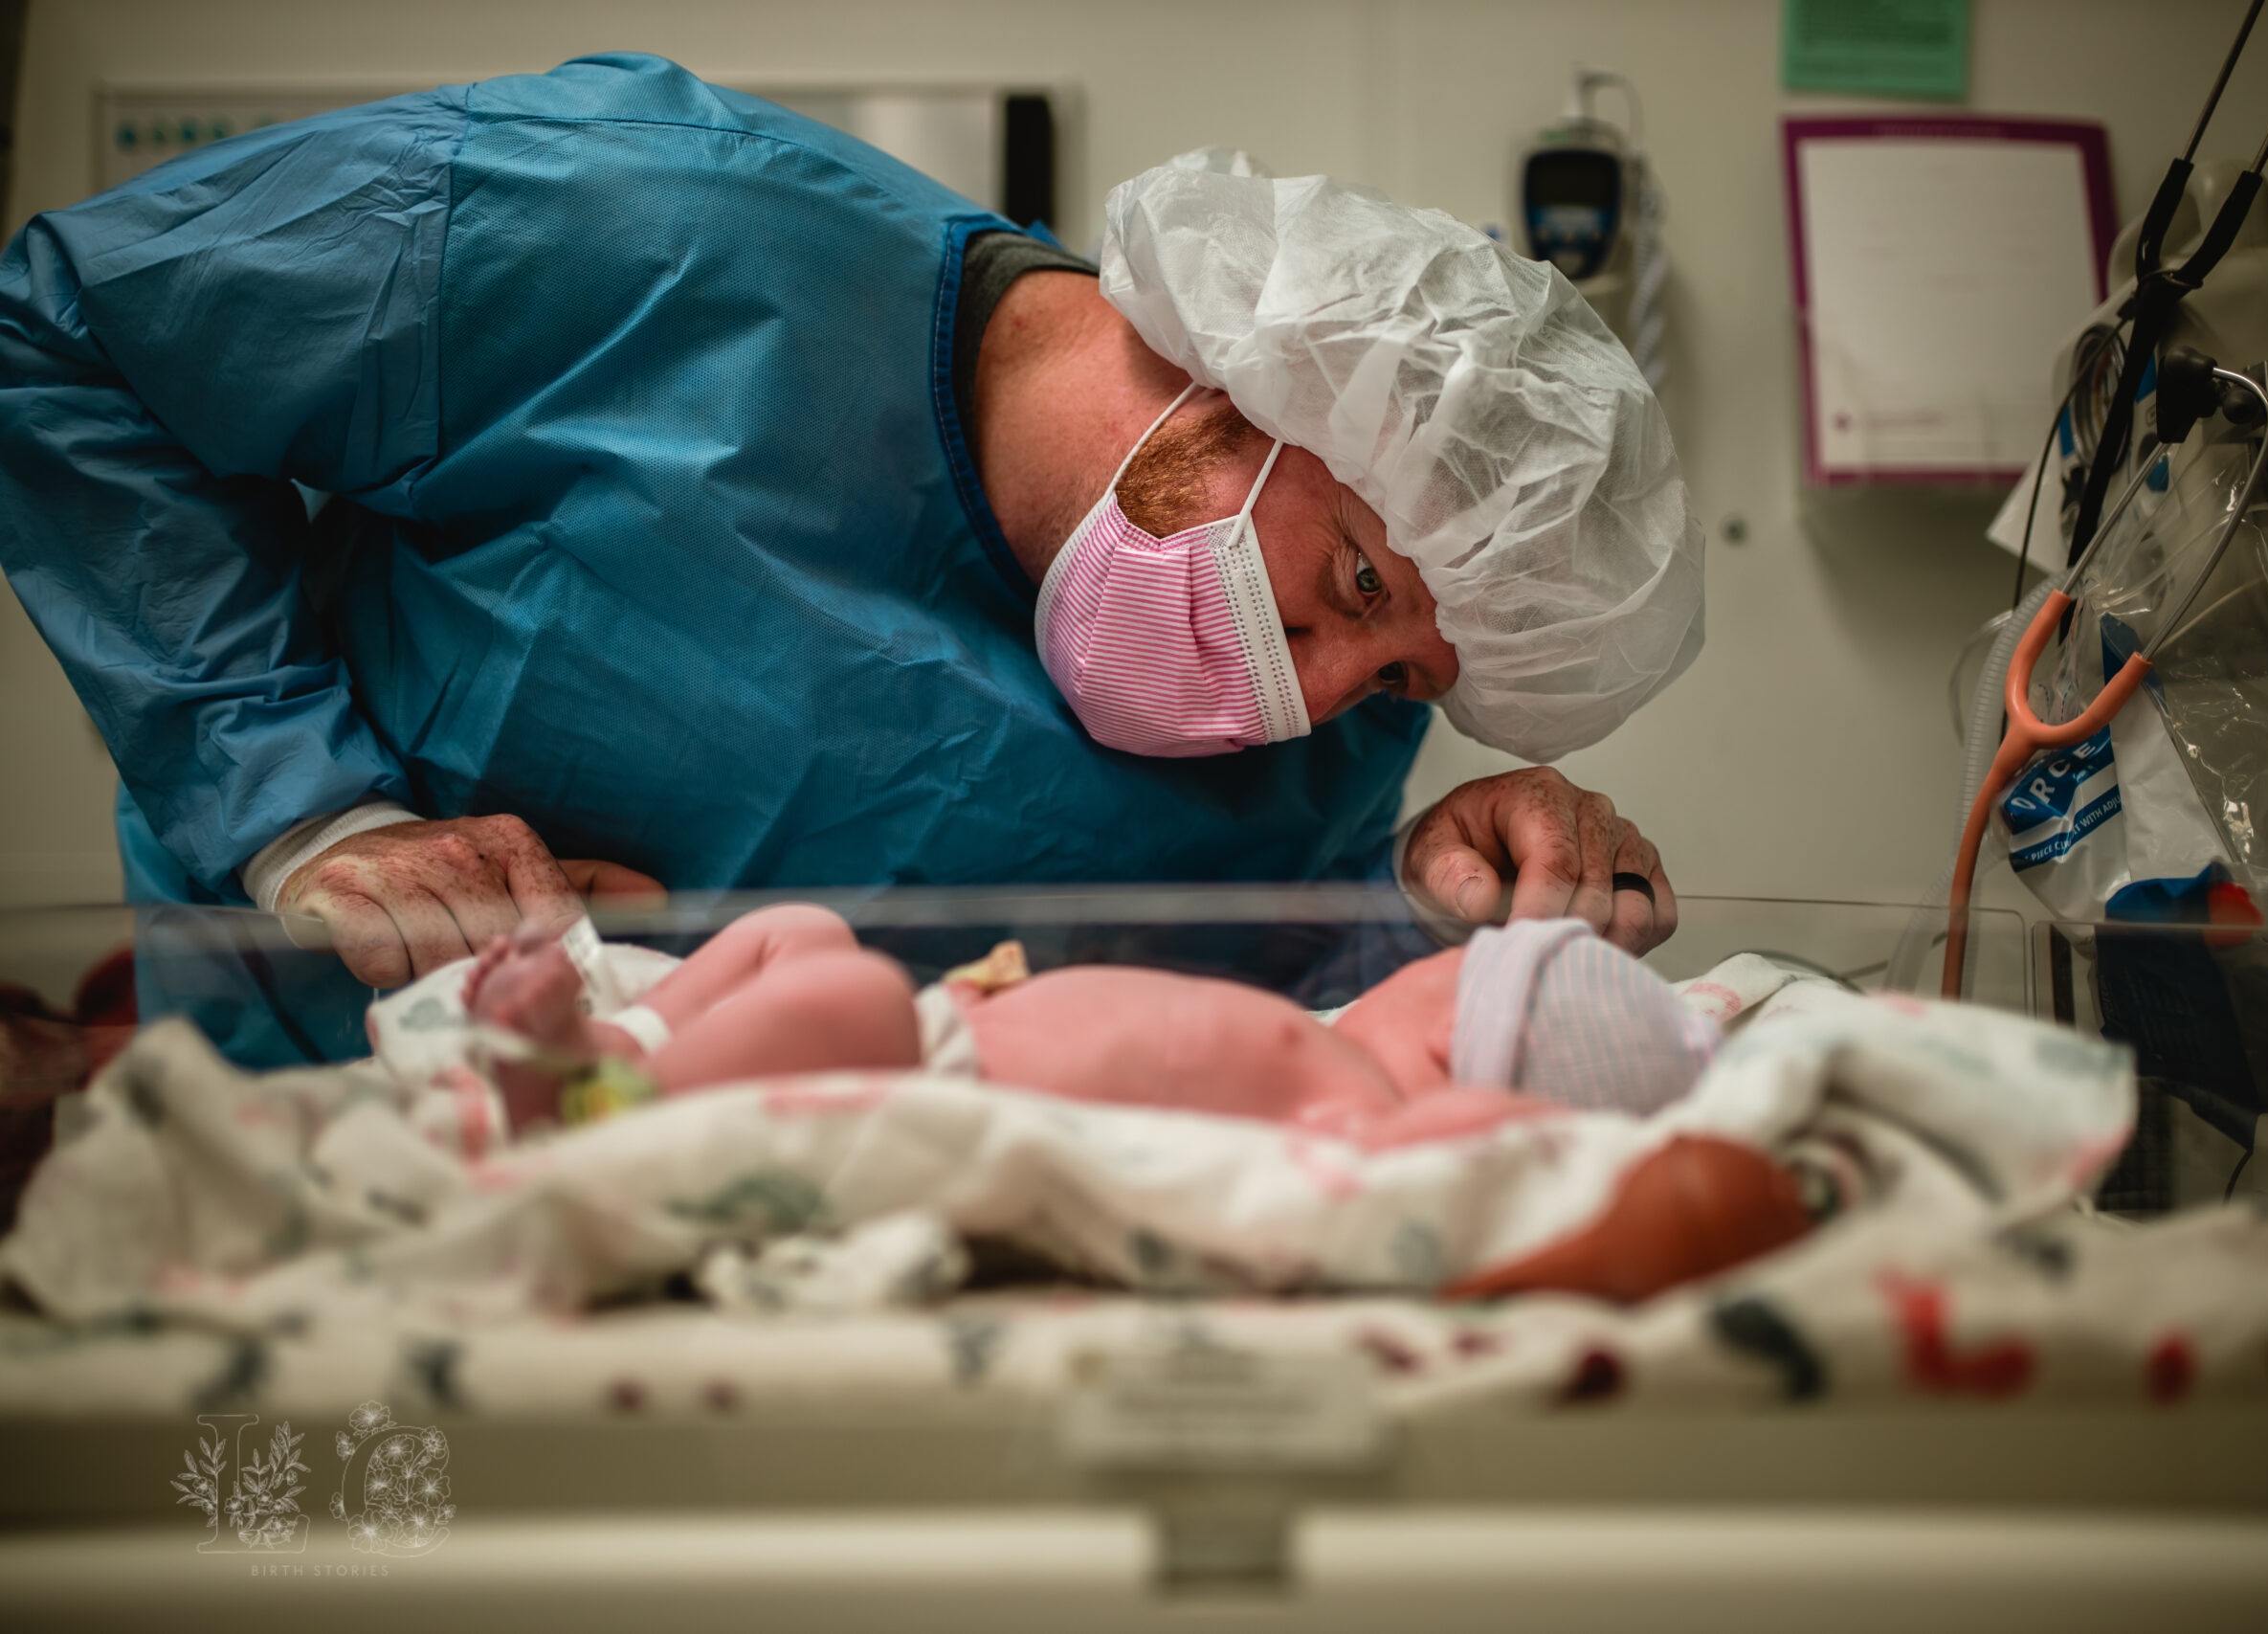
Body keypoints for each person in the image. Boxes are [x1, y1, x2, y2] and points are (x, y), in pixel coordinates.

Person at [0, 55, 1706, 996]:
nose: (1316, 699)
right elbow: (68, 339)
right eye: (1354, 587)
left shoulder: (1310, 741)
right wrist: (309, 818)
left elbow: (1250, 1003)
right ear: (1259, 385)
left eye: (1406, 682)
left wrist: (1443, 906)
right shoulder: (625, 235)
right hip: (358, 1150)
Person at [457, 905, 1804, 1305]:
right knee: (802, 937)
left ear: (1470, 1044)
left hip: (917, 1087)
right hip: (946, 1030)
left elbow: (1466, 1169)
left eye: (1453, 975)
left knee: (844, 994)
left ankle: (593, 1097)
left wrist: (1599, 1132)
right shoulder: (1340, 1056)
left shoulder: (1365, 1121)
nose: (1417, 969)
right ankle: (623, 1035)